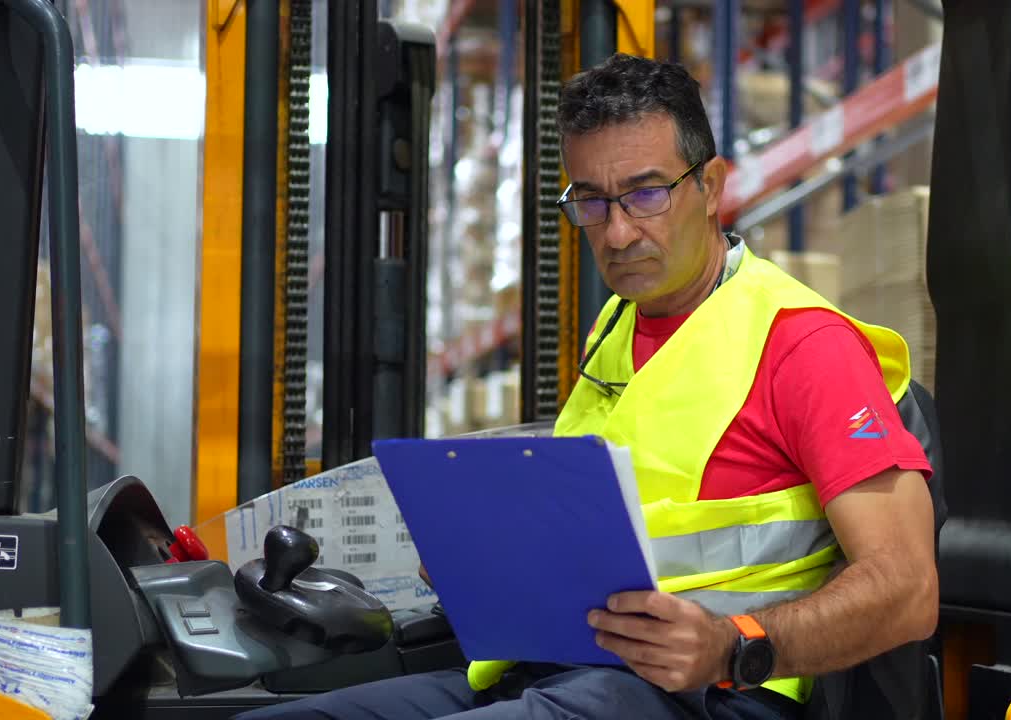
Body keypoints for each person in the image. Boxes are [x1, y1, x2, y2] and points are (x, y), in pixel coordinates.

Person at [237, 53, 937, 720]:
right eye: (593, 202)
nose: (620, 232)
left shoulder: (803, 344)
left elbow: (907, 589)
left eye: (647, 193)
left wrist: (735, 642)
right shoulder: (619, 326)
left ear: (712, 185)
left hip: (706, 695)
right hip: (561, 673)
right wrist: (488, 559)